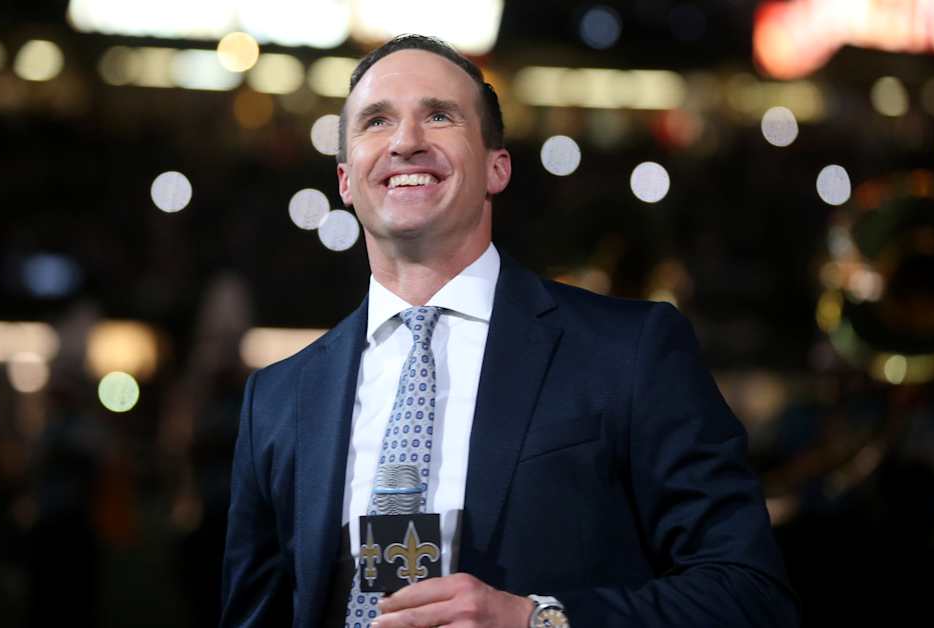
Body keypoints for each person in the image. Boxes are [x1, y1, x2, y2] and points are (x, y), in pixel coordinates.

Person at [221, 34, 798, 627]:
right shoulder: (279, 399)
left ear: (497, 168)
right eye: (376, 121)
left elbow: (749, 595)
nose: (405, 141)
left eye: (439, 116)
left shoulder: (630, 351)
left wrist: (535, 620)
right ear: (345, 181)